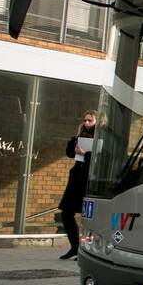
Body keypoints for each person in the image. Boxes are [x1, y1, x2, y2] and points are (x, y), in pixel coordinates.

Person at [57, 110, 96, 260]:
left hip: (89, 181)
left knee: (89, 217)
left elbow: (99, 160)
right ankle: (75, 247)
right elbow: (70, 154)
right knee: (66, 213)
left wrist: (84, 153)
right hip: (76, 179)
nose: (86, 123)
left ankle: (87, 250)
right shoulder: (80, 135)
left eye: (90, 121)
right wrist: (74, 142)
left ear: (96, 122)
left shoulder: (101, 137)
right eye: (85, 120)